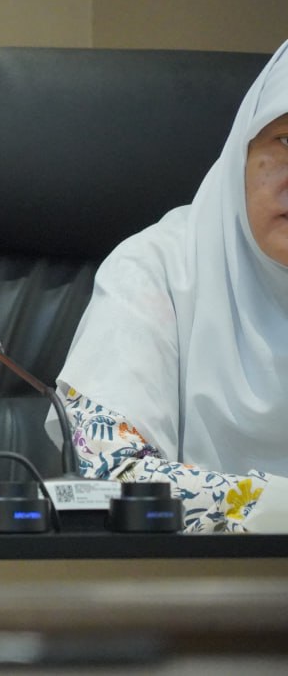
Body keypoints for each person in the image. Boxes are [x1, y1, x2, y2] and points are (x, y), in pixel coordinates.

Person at [53, 40, 288, 533]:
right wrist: (272, 505)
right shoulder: (154, 270)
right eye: (286, 142)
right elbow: (110, 476)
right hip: (188, 579)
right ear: (242, 151)